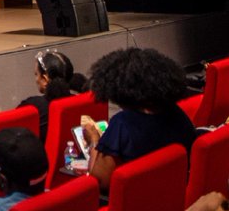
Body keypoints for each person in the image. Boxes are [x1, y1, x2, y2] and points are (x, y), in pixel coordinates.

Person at [78, 47, 196, 194]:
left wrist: (94, 141)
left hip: (135, 204)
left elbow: (101, 180)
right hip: (172, 197)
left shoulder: (122, 124)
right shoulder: (177, 114)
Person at [17, 49, 85, 140]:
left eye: (36, 74)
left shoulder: (34, 107)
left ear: (45, 79)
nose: (36, 79)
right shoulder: (80, 101)